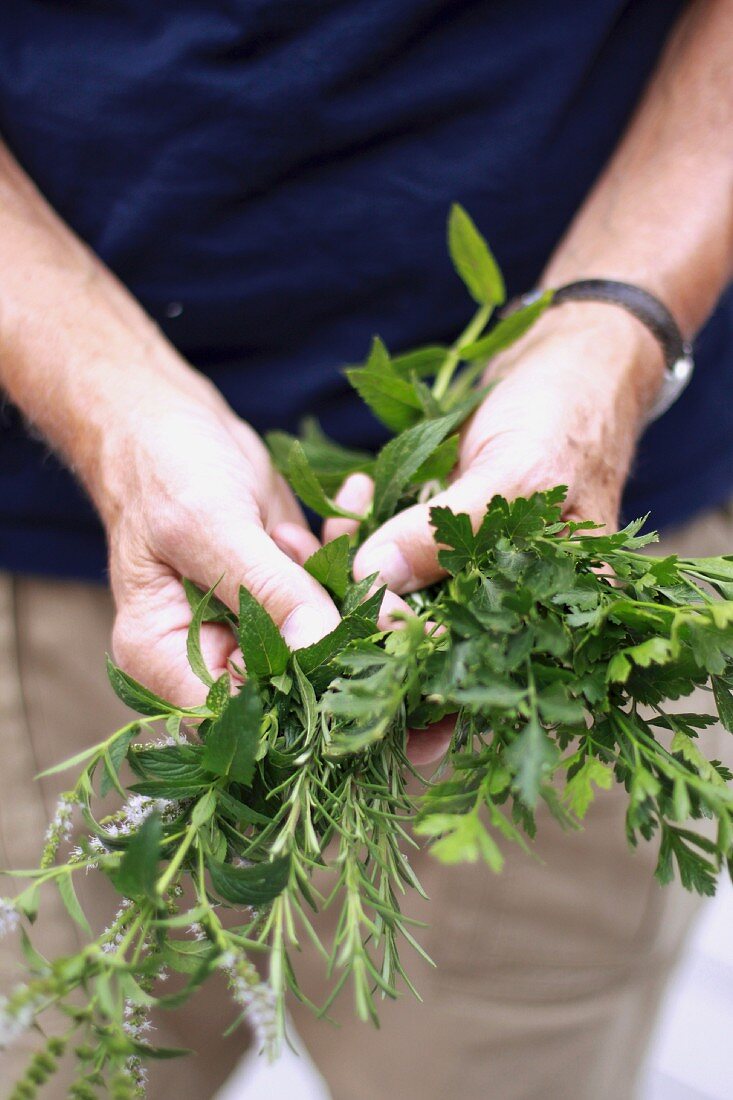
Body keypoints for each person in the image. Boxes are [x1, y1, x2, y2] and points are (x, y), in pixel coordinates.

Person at [0, 2, 732, 1097]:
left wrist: (609, 335)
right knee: (71, 1042)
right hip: (60, 565)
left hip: (565, 577)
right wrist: (107, 407)